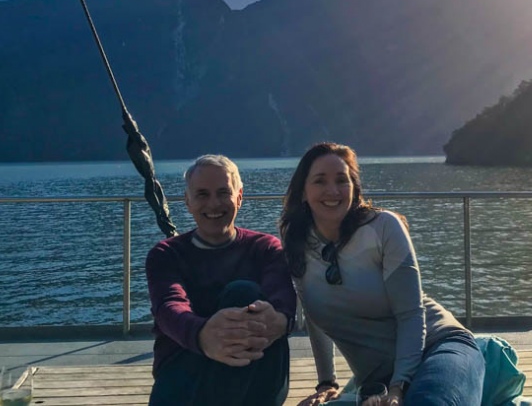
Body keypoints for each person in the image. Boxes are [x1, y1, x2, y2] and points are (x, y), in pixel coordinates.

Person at [279, 142, 485, 406]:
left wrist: (399, 388)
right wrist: (327, 383)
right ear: (303, 192)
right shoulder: (297, 243)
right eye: (320, 181)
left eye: (342, 180)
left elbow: (410, 314)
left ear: (354, 187)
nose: (332, 190)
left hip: (438, 348)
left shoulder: (383, 228)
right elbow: (313, 314)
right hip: (377, 378)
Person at [146, 154, 297, 406]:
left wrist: (280, 319)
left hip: (256, 373)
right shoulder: (166, 254)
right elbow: (169, 306)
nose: (214, 204)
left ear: (239, 196)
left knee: (244, 295)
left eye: (223, 192)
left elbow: (282, 298)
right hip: (186, 370)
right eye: (202, 194)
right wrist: (204, 335)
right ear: (188, 201)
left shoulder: (264, 248)